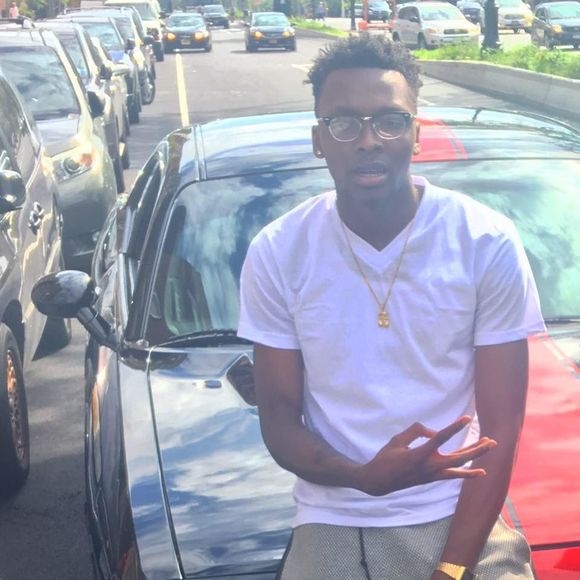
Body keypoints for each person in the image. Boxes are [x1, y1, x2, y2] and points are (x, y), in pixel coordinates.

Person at [238, 34, 544, 580]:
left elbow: (501, 429)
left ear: (416, 134)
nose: (368, 140)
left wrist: (452, 569)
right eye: (344, 123)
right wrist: (361, 477)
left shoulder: (484, 241)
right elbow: (279, 419)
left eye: (389, 121)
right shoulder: (279, 250)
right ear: (318, 140)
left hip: (456, 507)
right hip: (332, 513)